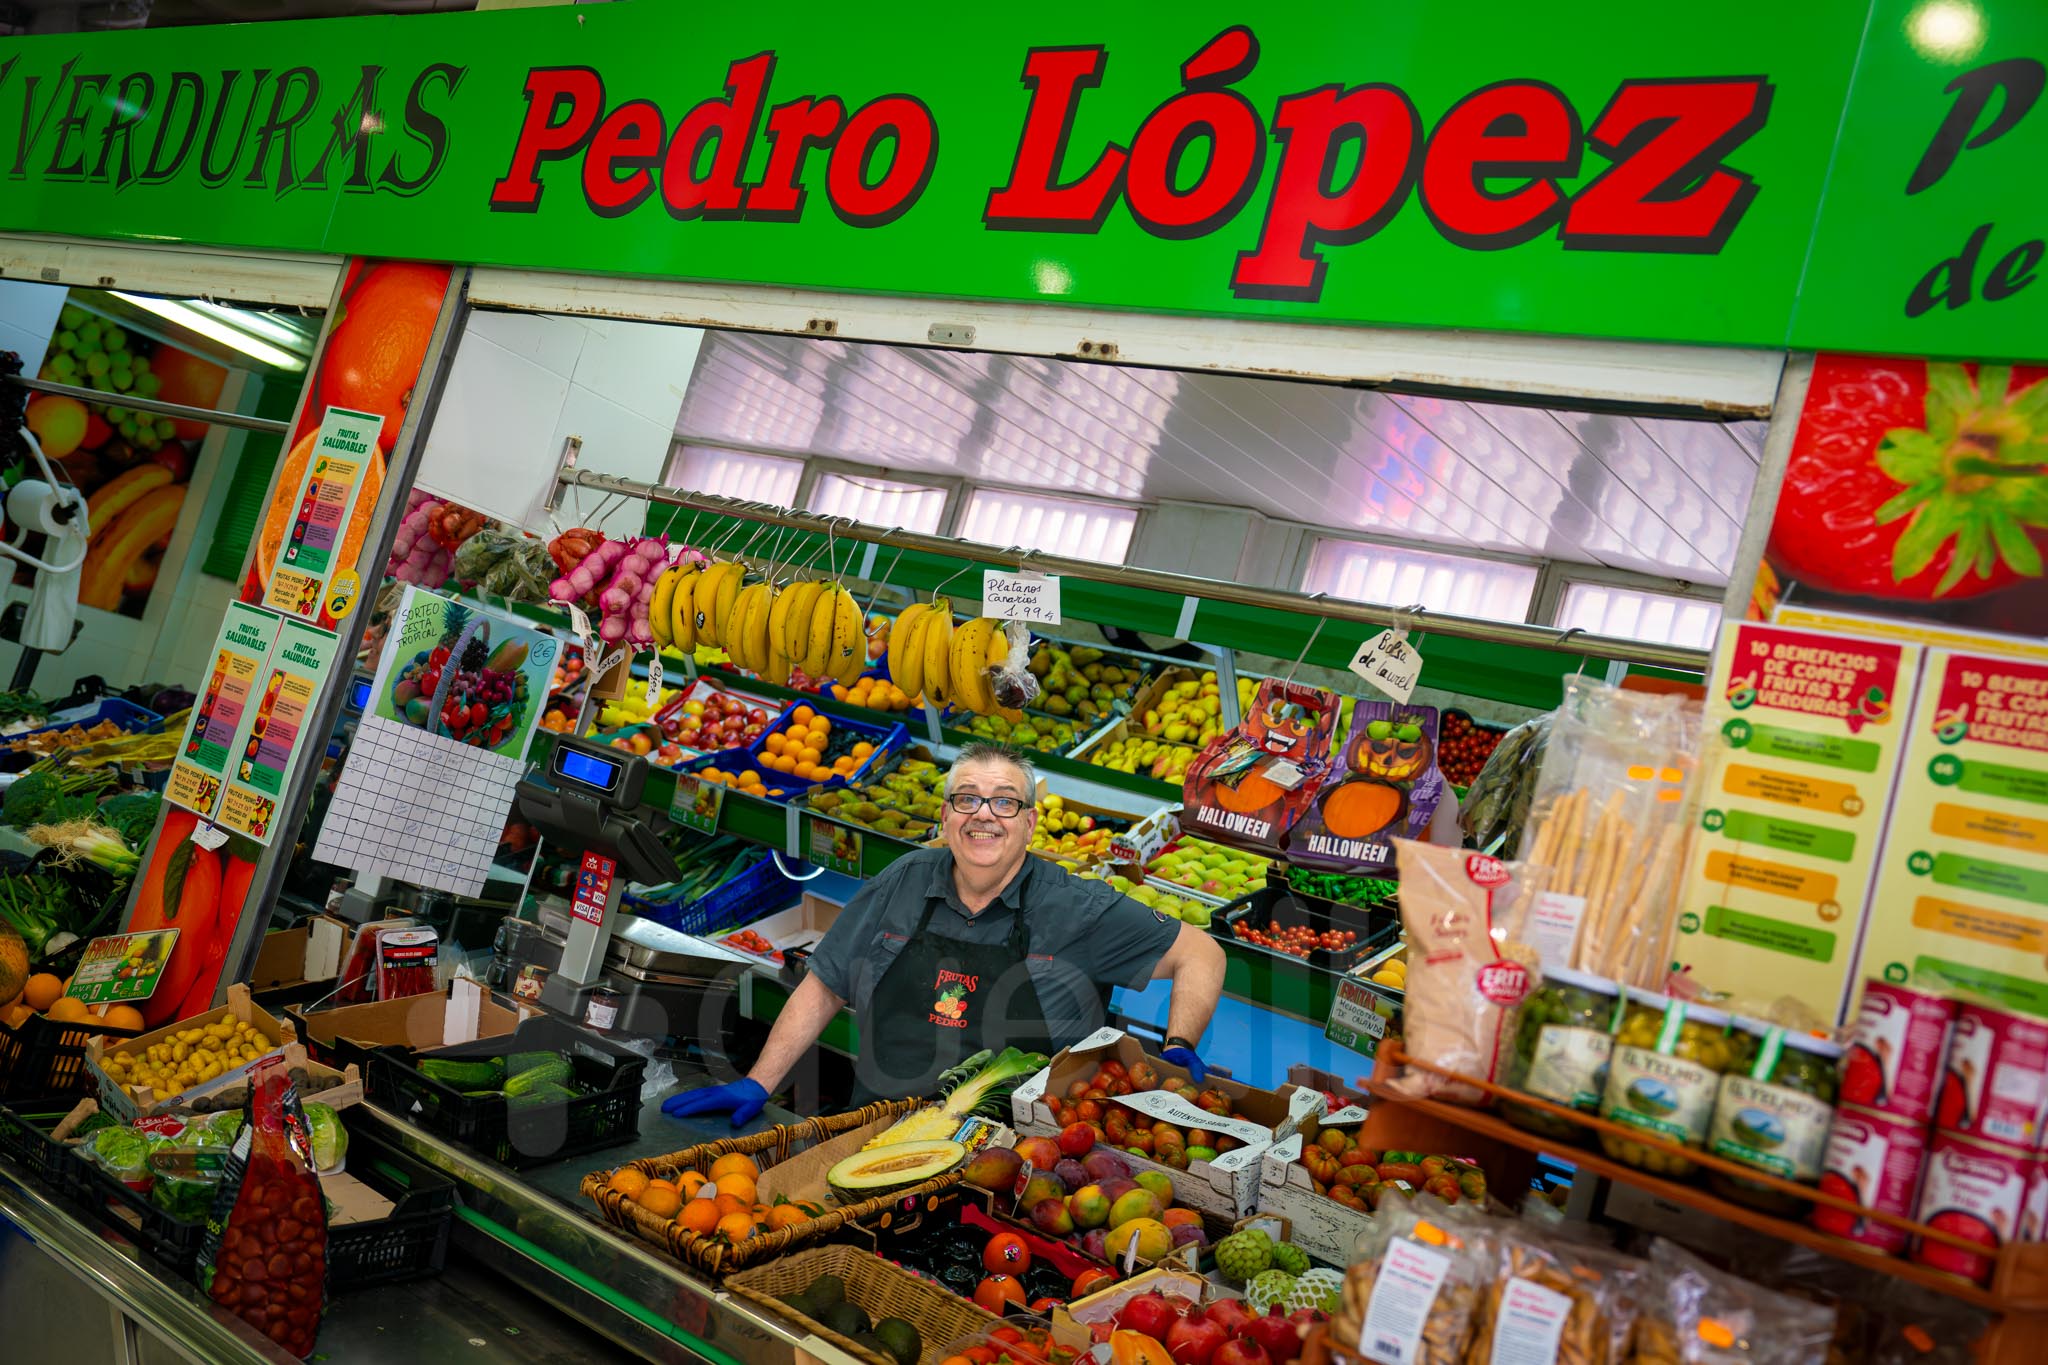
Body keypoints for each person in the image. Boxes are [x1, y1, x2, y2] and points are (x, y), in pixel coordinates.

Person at [664, 742, 1228, 1125]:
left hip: (1015, 1161)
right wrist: (760, 1082)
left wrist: (1179, 1044)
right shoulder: (901, 882)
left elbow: (1200, 952)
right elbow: (826, 982)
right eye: (967, 800)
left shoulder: (1076, 906)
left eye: (1005, 802)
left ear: (1030, 823)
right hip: (877, 1131)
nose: (984, 816)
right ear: (945, 816)